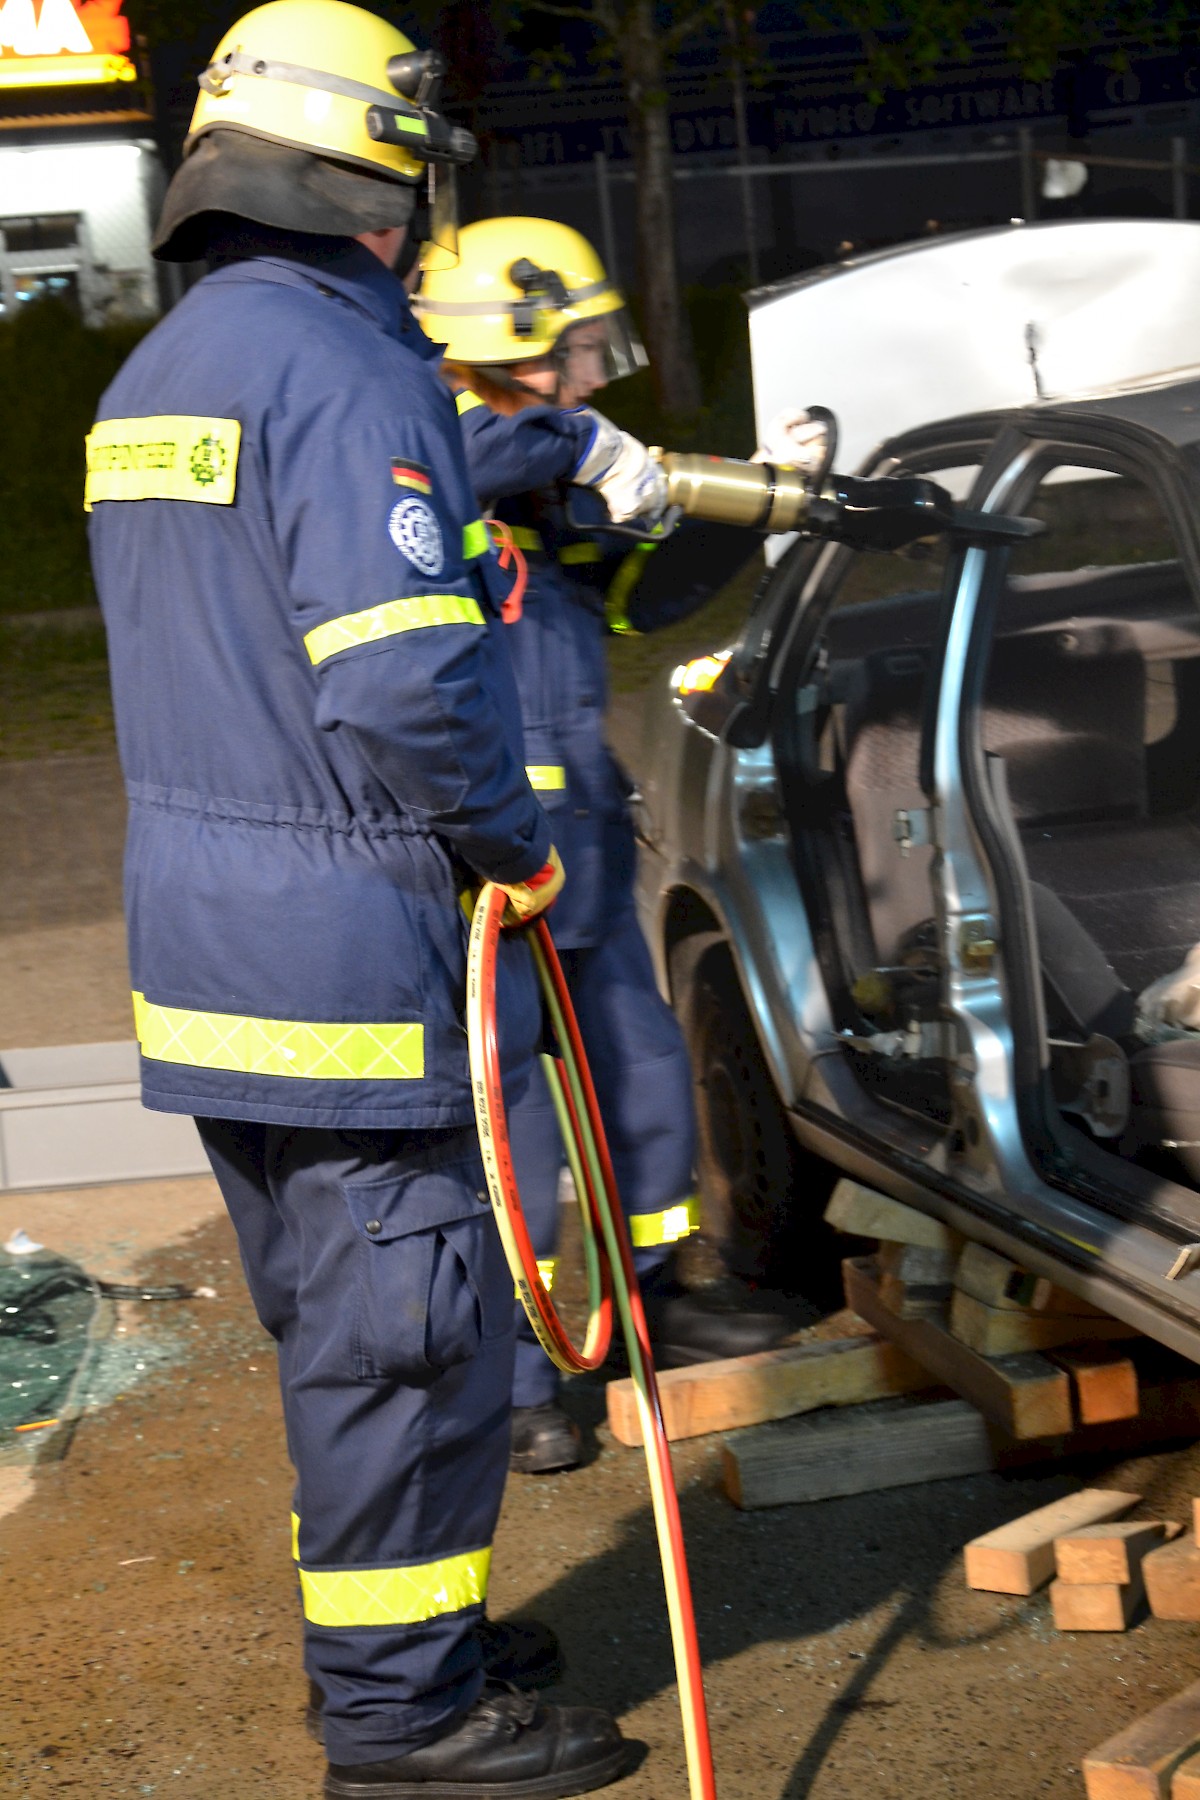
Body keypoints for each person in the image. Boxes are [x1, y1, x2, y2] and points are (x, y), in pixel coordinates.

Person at [85, 12, 631, 1797]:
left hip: (212, 952)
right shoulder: (346, 368)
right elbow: (402, 683)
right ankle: (407, 1725)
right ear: (375, 176)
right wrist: (513, 843)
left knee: (351, 1337)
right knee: (408, 1353)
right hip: (344, 952)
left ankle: (413, 1649)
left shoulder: (159, 374)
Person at [417, 218, 829, 1474]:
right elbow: (465, 462)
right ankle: (523, 1368)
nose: (598, 376)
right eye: (581, 352)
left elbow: (637, 586)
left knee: (642, 1077)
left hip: (579, 839)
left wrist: (759, 502)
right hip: (480, 861)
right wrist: (582, 442)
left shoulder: (538, 463)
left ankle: (646, 1302)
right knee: (512, 1125)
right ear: (507, 347)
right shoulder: (429, 444)